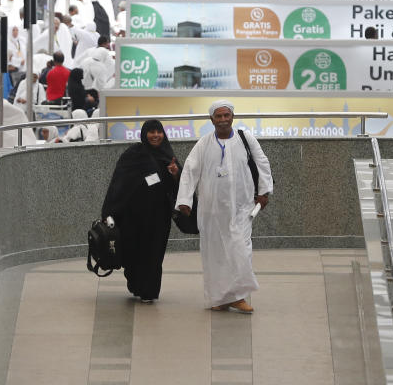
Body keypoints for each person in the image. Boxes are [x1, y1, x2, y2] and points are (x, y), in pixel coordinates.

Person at [175, 101, 273, 313]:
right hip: (211, 211)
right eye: (218, 117)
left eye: (226, 115)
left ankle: (238, 297)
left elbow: (262, 163)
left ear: (232, 117)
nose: (222, 120)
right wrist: (185, 200)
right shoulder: (203, 143)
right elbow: (190, 171)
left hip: (242, 208)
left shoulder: (246, 138)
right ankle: (219, 299)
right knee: (215, 255)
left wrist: (264, 192)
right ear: (211, 120)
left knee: (240, 251)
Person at [100, 120, 180, 303]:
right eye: (151, 132)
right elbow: (118, 185)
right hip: (132, 217)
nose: (155, 135)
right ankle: (136, 283)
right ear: (144, 134)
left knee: (154, 254)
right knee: (133, 252)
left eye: (158, 132)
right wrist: (109, 212)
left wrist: (175, 173)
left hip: (159, 217)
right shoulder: (133, 155)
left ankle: (149, 290)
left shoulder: (168, 155)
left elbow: (177, 186)